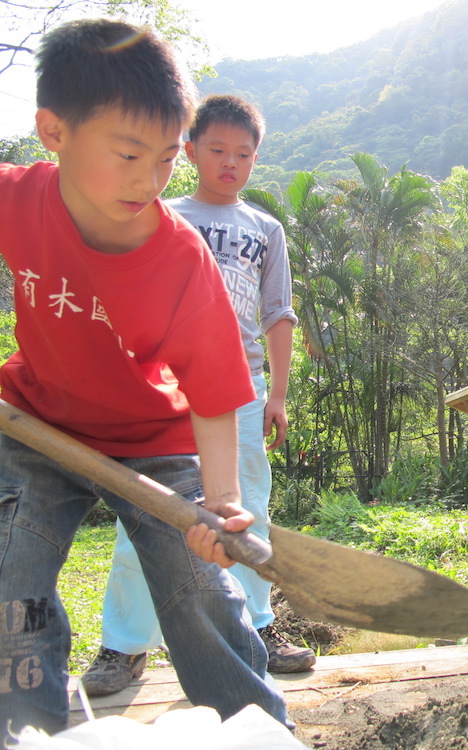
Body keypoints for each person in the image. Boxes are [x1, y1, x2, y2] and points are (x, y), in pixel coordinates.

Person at [0, 19, 290, 738]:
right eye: (128, 153)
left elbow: (218, 392)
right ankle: (29, 728)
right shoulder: (16, 198)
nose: (148, 179)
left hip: (153, 444)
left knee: (200, 586)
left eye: (164, 159)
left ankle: (256, 727)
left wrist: (220, 503)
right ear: (53, 132)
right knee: (12, 581)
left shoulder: (179, 259)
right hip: (35, 427)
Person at [81, 95, 314, 697]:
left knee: (248, 510)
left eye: (243, 154)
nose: (230, 163)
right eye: (217, 150)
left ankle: (259, 628)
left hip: (242, 390)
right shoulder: (160, 214)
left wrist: (278, 395)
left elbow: (278, 314)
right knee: (147, 511)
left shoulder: (266, 228)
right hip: (163, 389)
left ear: (255, 159)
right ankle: (124, 646)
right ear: (189, 151)